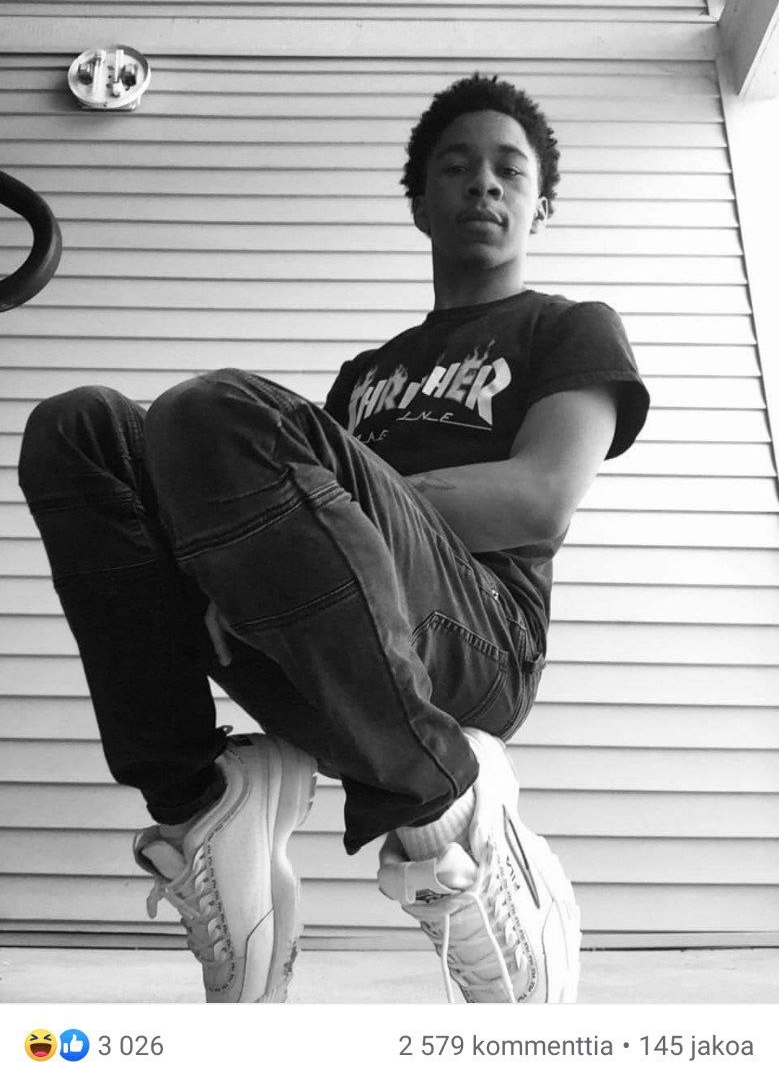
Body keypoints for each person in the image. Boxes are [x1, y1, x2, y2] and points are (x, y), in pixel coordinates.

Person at [19, 74, 649, 1005]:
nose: (483, 182)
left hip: (475, 645)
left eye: (509, 170)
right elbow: (282, 507)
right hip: (328, 651)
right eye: (456, 166)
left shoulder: (566, 328)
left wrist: (311, 517)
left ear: (540, 204)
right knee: (78, 430)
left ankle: (444, 809)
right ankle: (203, 805)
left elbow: (538, 499)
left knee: (213, 412)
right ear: (419, 203)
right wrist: (250, 558)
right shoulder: (365, 375)